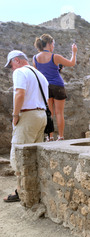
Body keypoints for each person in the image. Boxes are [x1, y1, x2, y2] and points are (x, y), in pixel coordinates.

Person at [3, 50, 48, 203]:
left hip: (28, 116)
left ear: (16, 60)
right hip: (41, 116)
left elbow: (20, 94)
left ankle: (20, 191)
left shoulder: (20, 72)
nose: (11, 69)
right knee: (34, 155)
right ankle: (35, 190)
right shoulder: (40, 75)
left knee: (19, 154)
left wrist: (15, 115)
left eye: (11, 65)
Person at [33, 34, 77, 141]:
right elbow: (72, 63)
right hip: (58, 86)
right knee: (59, 113)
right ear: (48, 44)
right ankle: (61, 136)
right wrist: (74, 52)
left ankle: (50, 137)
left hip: (45, 87)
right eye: (53, 44)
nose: (53, 46)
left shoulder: (35, 58)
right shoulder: (55, 57)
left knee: (49, 113)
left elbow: (38, 74)